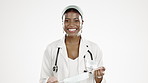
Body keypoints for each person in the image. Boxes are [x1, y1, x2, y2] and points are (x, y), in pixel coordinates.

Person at [40, 5, 106, 83]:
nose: (71, 24)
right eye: (67, 20)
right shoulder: (51, 49)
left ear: (82, 22)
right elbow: (43, 79)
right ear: (62, 23)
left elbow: (100, 80)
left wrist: (99, 77)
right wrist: (47, 81)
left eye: (76, 20)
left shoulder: (94, 49)